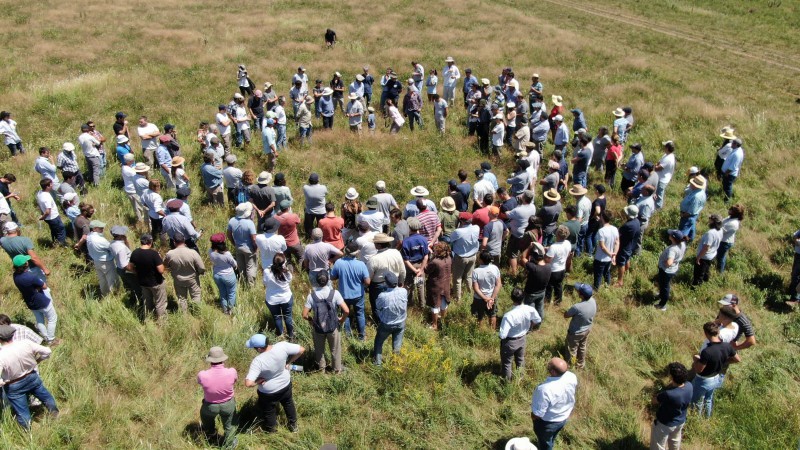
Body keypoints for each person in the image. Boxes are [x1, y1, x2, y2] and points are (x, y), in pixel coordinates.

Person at [0, 325, 58, 429]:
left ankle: (28, 433)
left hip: (14, 385)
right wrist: (38, 360)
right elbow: (47, 351)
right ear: (12, 335)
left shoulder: (1, 354)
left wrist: (3, 381)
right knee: (46, 397)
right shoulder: (25, 343)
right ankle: (54, 412)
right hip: (31, 376)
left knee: (22, 412)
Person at [244, 334, 304, 433]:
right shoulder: (282, 346)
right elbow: (301, 349)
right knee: (288, 403)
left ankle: (272, 431)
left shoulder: (258, 361)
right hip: (285, 384)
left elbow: (248, 383)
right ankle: (293, 426)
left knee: (269, 411)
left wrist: (258, 381)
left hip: (268, 392)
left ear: (259, 349)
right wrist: (289, 362)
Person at [302, 272, 349, 373]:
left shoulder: (312, 296)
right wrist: (341, 320)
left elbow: (304, 315)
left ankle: (321, 370)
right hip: (333, 326)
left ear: (317, 282)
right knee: (335, 349)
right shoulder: (335, 293)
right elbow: (346, 310)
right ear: (328, 280)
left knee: (319, 350)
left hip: (318, 327)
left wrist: (311, 321)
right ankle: (336, 370)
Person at [691, 322, 740, 418]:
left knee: (697, 402)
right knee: (708, 399)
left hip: (703, 380)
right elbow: (737, 359)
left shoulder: (707, 351)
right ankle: (707, 418)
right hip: (716, 378)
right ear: (718, 332)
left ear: (706, 333)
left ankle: (696, 421)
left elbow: (699, 370)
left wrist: (696, 359)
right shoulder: (727, 346)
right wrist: (724, 361)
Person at [530, 357, 577, 450]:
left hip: (548, 422)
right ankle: (550, 441)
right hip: (564, 416)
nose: (547, 365)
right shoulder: (571, 376)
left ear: (553, 372)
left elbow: (538, 414)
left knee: (545, 443)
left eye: (549, 365)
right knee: (553, 435)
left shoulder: (544, 389)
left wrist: (533, 417)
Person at [11, 255, 59, 345]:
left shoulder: (15, 276)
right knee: (52, 318)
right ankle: (51, 339)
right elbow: (44, 286)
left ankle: (46, 338)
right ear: (25, 264)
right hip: (41, 301)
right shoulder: (30, 277)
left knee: (40, 320)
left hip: (30, 302)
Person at [196, 346, 238, 448]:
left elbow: (200, 383)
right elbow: (235, 381)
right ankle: (229, 445)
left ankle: (211, 436)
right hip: (228, 404)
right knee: (230, 426)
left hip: (210, 405)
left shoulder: (202, 375)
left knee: (206, 418)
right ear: (223, 359)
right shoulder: (231, 372)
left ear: (210, 360)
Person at [499, 288, 542, 380]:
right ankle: (520, 378)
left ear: (511, 298)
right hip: (522, 338)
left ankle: (507, 383)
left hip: (510, 342)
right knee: (520, 359)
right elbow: (538, 319)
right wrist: (530, 326)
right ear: (523, 297)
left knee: (507, 363)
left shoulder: (508, 315)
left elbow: (502, 335)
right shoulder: (530, 309)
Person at [331, 241, 370, 340]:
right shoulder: (361, 264)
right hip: (358, 294)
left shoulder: (339, 262)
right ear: (356, 253)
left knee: (345, 313)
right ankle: (361, 335)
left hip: (343, 295)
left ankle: (347, 335)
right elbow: (367, 281)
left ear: (345, 251)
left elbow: (332, 277)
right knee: (360, 314)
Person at [650, 362, 693, 450]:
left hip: (665, 423)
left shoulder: (669, 394)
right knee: (675, 441)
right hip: (680, 420)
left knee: (658, 445)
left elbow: (654, 401)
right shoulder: (689, 386)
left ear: (672, 378)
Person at [367, 233, 406, 324]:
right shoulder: (396, 253)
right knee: (393, 303)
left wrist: (366, 286)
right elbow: (403, 270)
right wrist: (401, 282)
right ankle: (393, 320)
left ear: (378, 245)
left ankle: (379, 323)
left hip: (378, 285)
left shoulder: (373, 259)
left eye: (375, 243)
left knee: (378, 306)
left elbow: (369, 278)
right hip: (394, 282)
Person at [127, 234, 167, 321]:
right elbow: (161, 270)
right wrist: (160, 259)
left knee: (147, 302)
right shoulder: (154, 254)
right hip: (156, 282)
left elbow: (129, 267)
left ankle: (148, 319)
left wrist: (136, 272)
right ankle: (161, 321)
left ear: (141, 242)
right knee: (160, 303)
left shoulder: (135, 252)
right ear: (150, 242)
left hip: (143, 283)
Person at [164, 232, 205, 311]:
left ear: (174, 242)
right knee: (196, 296)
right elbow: (202, 267)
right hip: (193, 279)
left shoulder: (170, 254)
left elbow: (165, 265)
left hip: (178, 280)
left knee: (182, 298)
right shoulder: (193, 252)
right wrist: (199, 273)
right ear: (184, 240)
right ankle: (197, 312)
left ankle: (184, 315)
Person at [373, 272, 408, 365]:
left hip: (386, 324)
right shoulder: (404, 291)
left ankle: (378, 363)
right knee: (397, 345)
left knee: (379, 342)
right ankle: (395, 363)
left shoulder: (383, 296)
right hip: (401, 322)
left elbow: (378, 306)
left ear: (386, 283)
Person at [564, 283, 596, 369]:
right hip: (587, 329)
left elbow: (566, 315)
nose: (577, 291)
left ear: (581, 295)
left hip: (575, 333)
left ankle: (570, 366)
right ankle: (580, 365)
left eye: (578, 291)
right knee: (582, 347)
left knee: (571, 350)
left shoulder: (577, 307)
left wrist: (566, 312)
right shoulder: (593, 301)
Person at [264, 253, 295, 339]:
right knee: (288, 316)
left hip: (272, 299)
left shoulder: (267, 272)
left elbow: (265, 283)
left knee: (277, 317)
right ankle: (291, 335)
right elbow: (289, 280)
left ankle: (280, 335)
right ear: (284, 263)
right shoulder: (287, 273)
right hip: (286, 298)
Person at [86, 220, 120, 296]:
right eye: (100, 228)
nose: (102, 229)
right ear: (94, 229)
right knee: (112, 280)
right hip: (106, 262)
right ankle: (114, 296)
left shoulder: (89, 236)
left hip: (96, 261)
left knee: (102, 280)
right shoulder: (100, 240)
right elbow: (111, 248)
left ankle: (105, 295)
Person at [655, 230, 686, 311]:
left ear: (673, 238)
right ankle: (661, 294)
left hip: (666, 270)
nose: (669, 234)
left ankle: (662, 305)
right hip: (673, 269)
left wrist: (664, 262)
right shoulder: (682, 244)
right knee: (663, 284)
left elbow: (669, 262)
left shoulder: (672, 249)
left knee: (665, 286)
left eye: (671, 234)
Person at [401, 217, 429, 308]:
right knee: (420, 286)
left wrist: (414, 270)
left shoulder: (406, 241)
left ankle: (409, 304)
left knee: (409, 286)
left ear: (409, 228)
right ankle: (422, 305)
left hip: (410, 267)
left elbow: (406, 260)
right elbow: (426, 256)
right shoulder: (423, 239)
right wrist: (420, 270)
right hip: (421, 265)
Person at [425, 242, 451, 330]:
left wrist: (429, 259)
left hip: (436, 286)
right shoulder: (449, 258)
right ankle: (443, 322)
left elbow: (427, 270)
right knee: (444, 305)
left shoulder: (435, 262)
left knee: (435, 305)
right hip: (446, 285)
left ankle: (434, 325)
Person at [472, 251, 502, 328]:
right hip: (492, 296)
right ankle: (491, 332)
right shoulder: (495, 268)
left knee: (479, 316)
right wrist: (491, 298)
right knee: (492, 315)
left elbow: (476, 288)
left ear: (481, 260)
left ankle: (479, 332)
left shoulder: (476, 271)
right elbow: (498, 284)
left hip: (479, 298)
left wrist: (486, 299)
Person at [692, 214, 723, 286]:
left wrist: (698, 257)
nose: (708, 220)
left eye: (710, 219)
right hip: (712, 255)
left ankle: (695, 287)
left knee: (698, 274)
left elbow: (706, 247)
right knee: (706, 271)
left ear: (713, 221)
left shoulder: (710, 233)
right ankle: (706, 283)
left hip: (704, 256)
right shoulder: (720, 230)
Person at [543, 226, 570, 307]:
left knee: (549, 287)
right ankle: (558, 302)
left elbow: (547, 260)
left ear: (557, 235)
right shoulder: (567, 243)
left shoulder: (554, 247)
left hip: (553, 271)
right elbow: (568, 254)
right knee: (558, 286)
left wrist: (544, 253)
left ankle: (547, 303)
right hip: (562, 269)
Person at [615, 205, 641, 287]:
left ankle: (620, 281)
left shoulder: (627, 225)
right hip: (631, 246)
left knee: (621, 263)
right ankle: (626, 272)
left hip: (624, 247)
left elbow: (618, 235)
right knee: (627, 259)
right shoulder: (637, 221)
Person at [36, 179, 67, 247]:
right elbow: (48, 211)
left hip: (49, 218)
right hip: (53, 217)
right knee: (61, 231)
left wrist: (42, 214)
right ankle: (61, 245)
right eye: (51, 184)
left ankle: (55, 241)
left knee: (54, 230)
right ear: (47, 186)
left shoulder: (39, 193)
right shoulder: (46, 197)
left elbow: (39, 205)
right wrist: (42, 217)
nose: (52, 185)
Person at [592, 211, 619, 290]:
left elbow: (602, 246)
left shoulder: (601, 231)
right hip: (609, 258)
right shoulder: (614, 229)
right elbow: (617, 242)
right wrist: (614, 255)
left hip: (600, 258)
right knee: (607, 273)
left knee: (598, 275)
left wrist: (611, 255)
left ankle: (596, 289)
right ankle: (607, 287)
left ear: (602, 218)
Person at [678, 175, 707, 241]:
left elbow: (691, 211)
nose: (690, 184)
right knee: (691, 227)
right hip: (691, 215)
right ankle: (690, 239)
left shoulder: (697, 197)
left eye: (692, 183)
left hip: (688, 216)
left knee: (683, 231)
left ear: (695, 185)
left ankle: (680, 243)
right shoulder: (697, 191)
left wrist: (683, 215)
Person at [717, 204, 744, 273]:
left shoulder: (733, 223)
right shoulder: (730, 217)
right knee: (721, 255)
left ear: (735, 213)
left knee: (720, 257)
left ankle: (720, 272)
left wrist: (714, 224)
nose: (729, 210)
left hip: (725, 242)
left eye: (731, 210)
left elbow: (721, 230)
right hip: (723, 240)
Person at [141, 179, 167, 245]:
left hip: (151, 214)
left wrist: (150, 207)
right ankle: (163, 245)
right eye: (158, 186)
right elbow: (157, 210)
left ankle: (153, 241)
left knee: (154, 229)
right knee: (162, 231)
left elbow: (143, 201)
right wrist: (166, 215)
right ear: (156, 187)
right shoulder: (156, 196)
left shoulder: (146, 192)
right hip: (158, 217)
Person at [653, 140, 676, 210]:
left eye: (665, 146)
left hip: (662, 179)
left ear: (667, 148)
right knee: (656, 193)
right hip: (660, 177)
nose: (663, 147)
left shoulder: (668, 159)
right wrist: (656, 165)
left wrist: (655, 166)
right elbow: (658, 162)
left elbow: (657, 168)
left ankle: (657, 208)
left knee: (659, 195)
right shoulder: (666, 155)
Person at [303, 173, 328, 238]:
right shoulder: (323, 188)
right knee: (321, 226)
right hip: (321, 211)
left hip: (309, 211)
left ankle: (309, 237)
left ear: (309, 180)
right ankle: (320, 238)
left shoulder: (305, 188)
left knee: (308, 227)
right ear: (318, 180)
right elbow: (326, 193)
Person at [721, 138, 744, 202]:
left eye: (733, 143)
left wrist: (726, 173)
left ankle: (727, 200)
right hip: (728, 173)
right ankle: (725, 195)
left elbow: (732, 167)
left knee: (728, 187)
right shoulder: (736, 150)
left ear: (736, 145)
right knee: (725, 185)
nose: (731, 144)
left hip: (729, 174)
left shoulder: (737, 154)